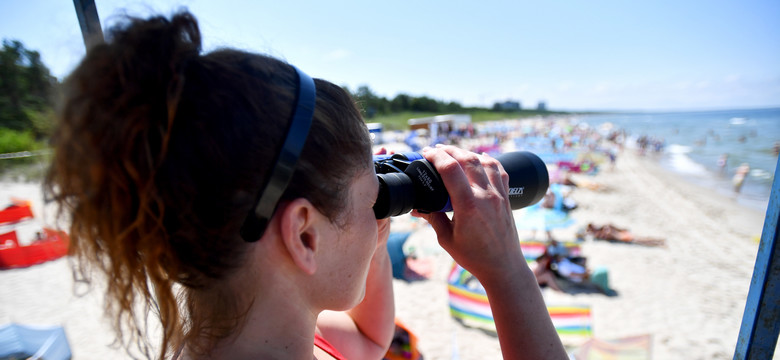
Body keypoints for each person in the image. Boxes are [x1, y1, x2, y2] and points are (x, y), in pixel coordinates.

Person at [43, 12, 566, 360]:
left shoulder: (246, 329)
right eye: (371, 202)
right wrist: (506, 272)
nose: (378, 215)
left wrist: (367, 218)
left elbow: (369, 341)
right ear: (304, 236)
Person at [586, 223, 666, 247]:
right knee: (641, 240)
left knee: (642, 239)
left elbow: (615, 227)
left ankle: (659, 241)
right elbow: (608, 236)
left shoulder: (604, 228)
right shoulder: (599, 234)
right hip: (621, 237)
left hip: (622, 235)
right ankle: (658, 243)